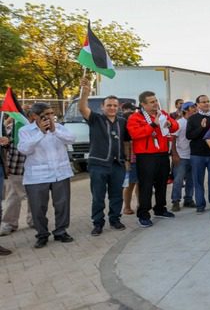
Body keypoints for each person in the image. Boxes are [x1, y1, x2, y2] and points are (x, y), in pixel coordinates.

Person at [18, 103, 76, 248]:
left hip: (60, 174)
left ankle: (61, 231)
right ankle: (42, 234)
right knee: (38, 208)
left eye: (51, 114)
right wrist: (41, 133)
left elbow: (71, 139)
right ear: (35, 116)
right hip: (37, 176)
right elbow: (24, 149)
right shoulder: (25, 130)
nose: (50, 117)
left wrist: (55, 131)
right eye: (46, 114)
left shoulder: (59, 127)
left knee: (62, 204)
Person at [79, 77, 131, 236]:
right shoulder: (96, 119)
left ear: (119, 107)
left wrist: (127, 161)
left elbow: (127, 142)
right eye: (109, 105)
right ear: (102, 107)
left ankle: (115, 219)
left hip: (117, 165)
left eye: (115, 105)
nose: (112, 108)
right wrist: (85, 93)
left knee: (116, 195)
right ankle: (98, 223)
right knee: (98, 196)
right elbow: (82, 108)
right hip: (98, 165)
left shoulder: (123, 122)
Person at [126, 91, 179, 228]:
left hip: (162, 154)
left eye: (156, 101)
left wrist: (169, 123)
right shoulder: (135, 117)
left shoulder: (162, 114)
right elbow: (135, 134)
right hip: (145, 156)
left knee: (162, 183)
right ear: (143, 104)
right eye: (152, 102)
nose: (155, 104)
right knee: (146, 186)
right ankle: (143, 214)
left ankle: (160, 208)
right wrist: (153, 125)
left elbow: (175, 126)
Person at [0, 111, 34, 237]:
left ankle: (34, 220)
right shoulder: (11, 127)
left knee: (34, 196)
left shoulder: (38, 127)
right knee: (13, 196)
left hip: (33, 168)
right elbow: (5, 141)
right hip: (15, 166)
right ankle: (9, 223)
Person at [187, 95, 210, 213]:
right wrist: (201, 127)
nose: (206, 103)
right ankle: (200, 205)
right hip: (197, 154)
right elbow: (189, 136)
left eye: (208, 101)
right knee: (198, 181)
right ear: (197, 105)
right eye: (203, 102)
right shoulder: (193, 118)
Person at [170, 101, 196, 211]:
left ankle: (188, 199)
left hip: (193, 156)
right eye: (192, 107)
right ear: (186, 110)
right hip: (181, 156)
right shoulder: (179, 123)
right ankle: (175, 201)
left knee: (191, 180)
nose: (195, 109)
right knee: (178, 180)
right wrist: (174, 154)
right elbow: (173, 138)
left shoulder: (196, 122)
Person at [120, 102, 138, 215]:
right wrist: (127, 161)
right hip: (131, 160)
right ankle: (126, 207)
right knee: (130, 184)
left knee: (140, 183)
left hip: (140, 159)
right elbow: (126, 145)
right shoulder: (125, 129)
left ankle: (140, 204)